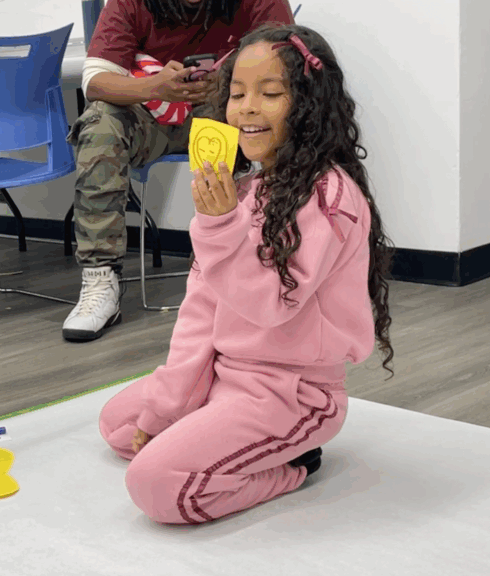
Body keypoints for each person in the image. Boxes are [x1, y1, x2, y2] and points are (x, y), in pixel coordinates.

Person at [98, 24, 395, 524]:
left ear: (308, 104)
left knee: (156, 486)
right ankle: (215, 431)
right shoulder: (246, 191)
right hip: (225, 374)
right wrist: (171, 403)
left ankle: (294, 467)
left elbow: (271, 306)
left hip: (294, 391)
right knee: (119, 425)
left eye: (270, 93)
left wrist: (217, 228)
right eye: (236, 94)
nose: (247, 107)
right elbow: (201, 309)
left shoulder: (329, 198)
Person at [63, 0, 295, 341]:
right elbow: (95, 82)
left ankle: (223, 272)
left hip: (219, 110)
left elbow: (290, 65)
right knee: (99, 124)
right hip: (148, 113)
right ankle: (100, 280)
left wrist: (231, 87)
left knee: (258, 116)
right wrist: (156, 87)